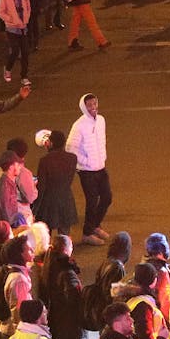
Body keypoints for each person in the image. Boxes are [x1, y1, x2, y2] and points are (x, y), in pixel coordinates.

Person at [67, 93, 111, 244]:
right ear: (83, 107)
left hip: (100, 167)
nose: (93, 107)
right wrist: (86, 161)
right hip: (86, 171)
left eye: (95, 103)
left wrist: (102, 157)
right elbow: (70, 148)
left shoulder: (101, 120)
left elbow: (102, 140)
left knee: (107, 197)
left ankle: (95, 226)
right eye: (89, 105)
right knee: (92, 201)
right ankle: (87, 233)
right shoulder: (79, 125)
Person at [0, 0, 32, 83]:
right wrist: (11, 19)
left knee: (25, 52)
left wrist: (25, 19)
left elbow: (28, 8)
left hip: (23, 27)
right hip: (12, 28)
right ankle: (8, 69)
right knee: (15, 51)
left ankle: (24, 76)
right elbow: (0, 12)